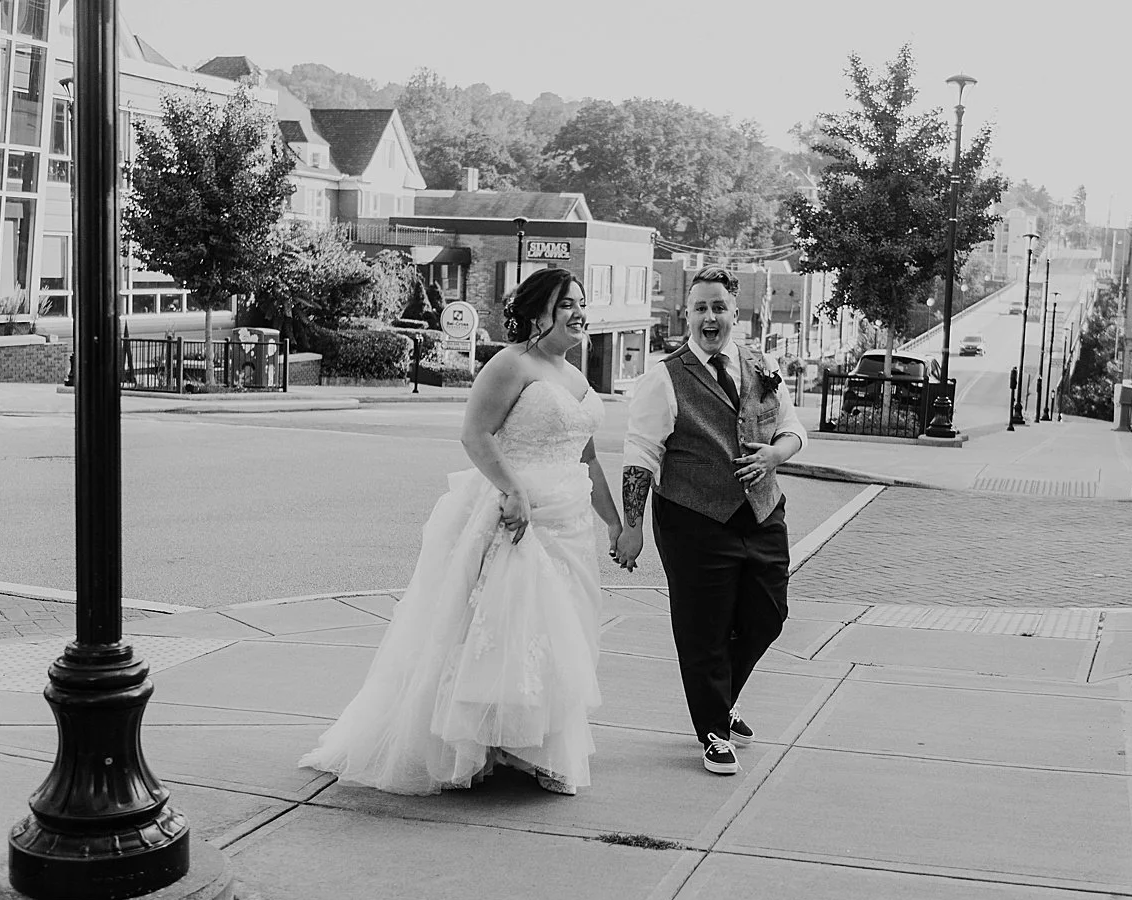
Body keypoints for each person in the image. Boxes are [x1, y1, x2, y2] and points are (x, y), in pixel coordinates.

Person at [300, 268, 621, 796]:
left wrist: (616, 522)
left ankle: (533, 744)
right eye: (567, 304)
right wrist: (513, 491)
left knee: (561, 638)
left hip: (571, 522)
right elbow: (475, 434)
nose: (579, 313)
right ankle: (482, 744)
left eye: (582, 303)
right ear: (539, 312)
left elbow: (587, 457)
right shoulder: (511, 363)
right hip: (518, 520)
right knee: (503, 632)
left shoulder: (576, 375)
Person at [615, 265, 806, 775]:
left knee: (767, 616)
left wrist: (773, 456)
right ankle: (712, 732)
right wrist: (631, 527)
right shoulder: (663, 377)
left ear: (734, 312)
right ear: (687, 315)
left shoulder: (761, 364)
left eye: (718, 306)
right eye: (700, 308)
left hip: (762, 510)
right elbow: (641, 455)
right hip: (693, 517)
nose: (709, 317)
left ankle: (720, 701)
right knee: (704, 629)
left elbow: (792, 429)